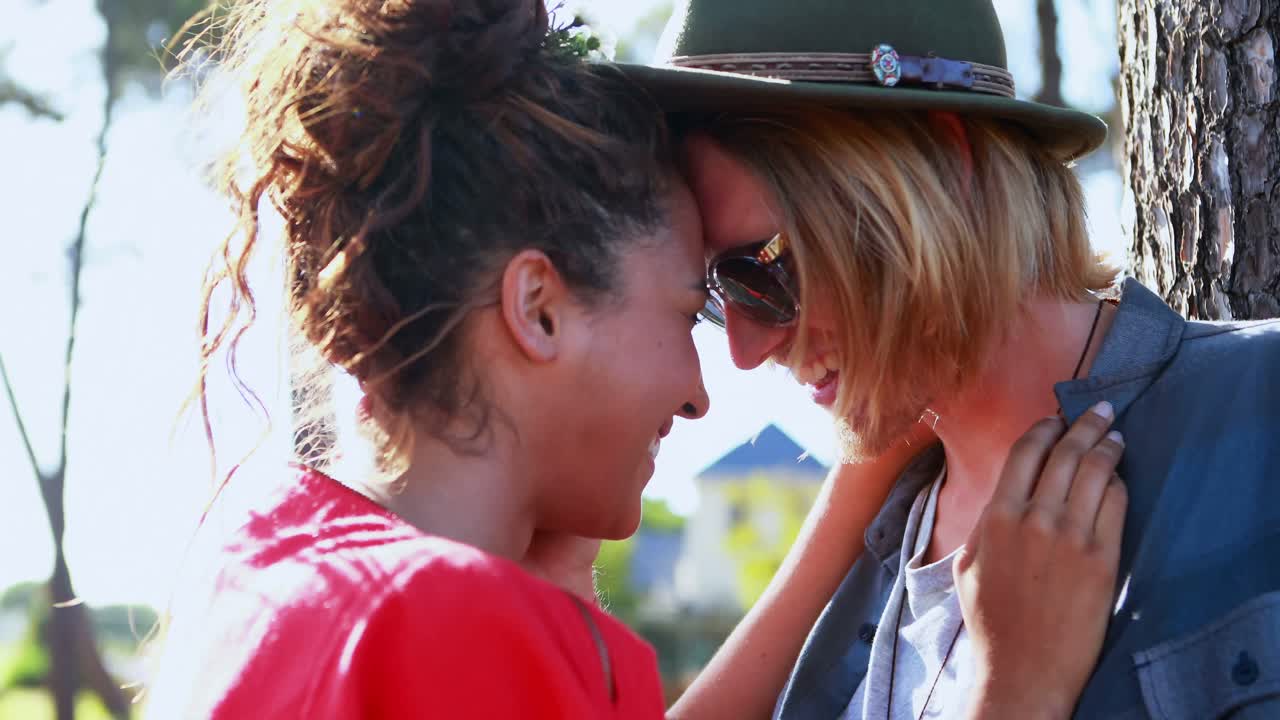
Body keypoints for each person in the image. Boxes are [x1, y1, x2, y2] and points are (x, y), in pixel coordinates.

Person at [145, 0, 1127, 717]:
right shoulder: (445, 623)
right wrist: (1015, 694)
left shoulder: (266, 545)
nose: (714, 382)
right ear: (536, 309)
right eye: (696, 302)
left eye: (760, 277)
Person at [624, 0, 1280, 718]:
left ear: (946, 164)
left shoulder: (1260, 418)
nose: (746, 354)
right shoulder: (859, 561)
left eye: (766, 274)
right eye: (718, 296)